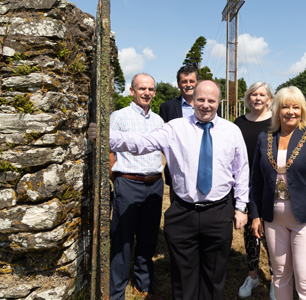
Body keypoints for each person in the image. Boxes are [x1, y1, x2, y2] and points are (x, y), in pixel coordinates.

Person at [91, 80, 249, 300]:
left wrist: (241, 206)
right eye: (200, 99)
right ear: (193, 100)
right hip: (184, 212)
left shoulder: (232, 131)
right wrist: (107, 136)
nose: (205, 105)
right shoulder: (175, 128)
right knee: (183, 276)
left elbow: (241, 171)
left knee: (214, 274)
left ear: (218, 102)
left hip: (219, 210)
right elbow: (141, 142)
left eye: (211, 101)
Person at [250, 86, 306, 300]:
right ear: (277, 110)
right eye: (285, 107)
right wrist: (256, 215)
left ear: (303, 111)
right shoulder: (264, 138)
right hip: (273, 219)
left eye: (296, 107)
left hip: (305, 220)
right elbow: (256, 181)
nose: (291, 111)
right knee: (280, 277)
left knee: (305, 280)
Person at [107, 73, 164, 299]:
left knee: (148, 238)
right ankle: (117, 292)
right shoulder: (119, 116)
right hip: (128, 183)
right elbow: (109, 150)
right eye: (142, 88)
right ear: (132, 91)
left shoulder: (159, 121)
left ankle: (143, 285)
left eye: (150, 89)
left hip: (155, 184)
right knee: (122, 239)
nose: (146, 93)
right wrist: (117, 179)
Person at [234, 82, 276, 300]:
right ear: (248, 98)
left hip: (271, 186)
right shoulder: (238, 123)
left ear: (269, 98)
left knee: (272, 235)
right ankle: (252, 275)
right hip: (246, 186)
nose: (258, 98)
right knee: (251, 234)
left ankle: (275, 280)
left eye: (262, 94)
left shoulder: (276, 122)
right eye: (254, 95)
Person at [159, 65, 199, 201]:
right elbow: (163, 138)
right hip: (177, 170)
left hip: (203, 169)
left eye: (191, 81)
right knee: (178, 213)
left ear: (197, 83)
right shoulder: (167, 107)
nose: (188, 85)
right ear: (178, 84)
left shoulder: (209, 106)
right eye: (184, 81)